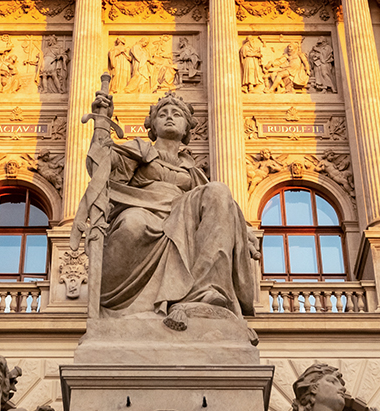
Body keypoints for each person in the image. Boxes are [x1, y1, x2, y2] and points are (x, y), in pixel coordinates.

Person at [75, 89, 258, 332]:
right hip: (142, 208)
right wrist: (101, 125)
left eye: (176, 115)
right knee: (133, 224)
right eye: (162, 114)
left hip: (181, 219)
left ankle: (204, 293)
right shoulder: (139, 149)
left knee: (218, 190)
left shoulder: (194, 172)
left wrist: (244, 233)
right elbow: (100, 168)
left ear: (187, 129)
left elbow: (219, 211)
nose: (169, 117)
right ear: (152, 125)